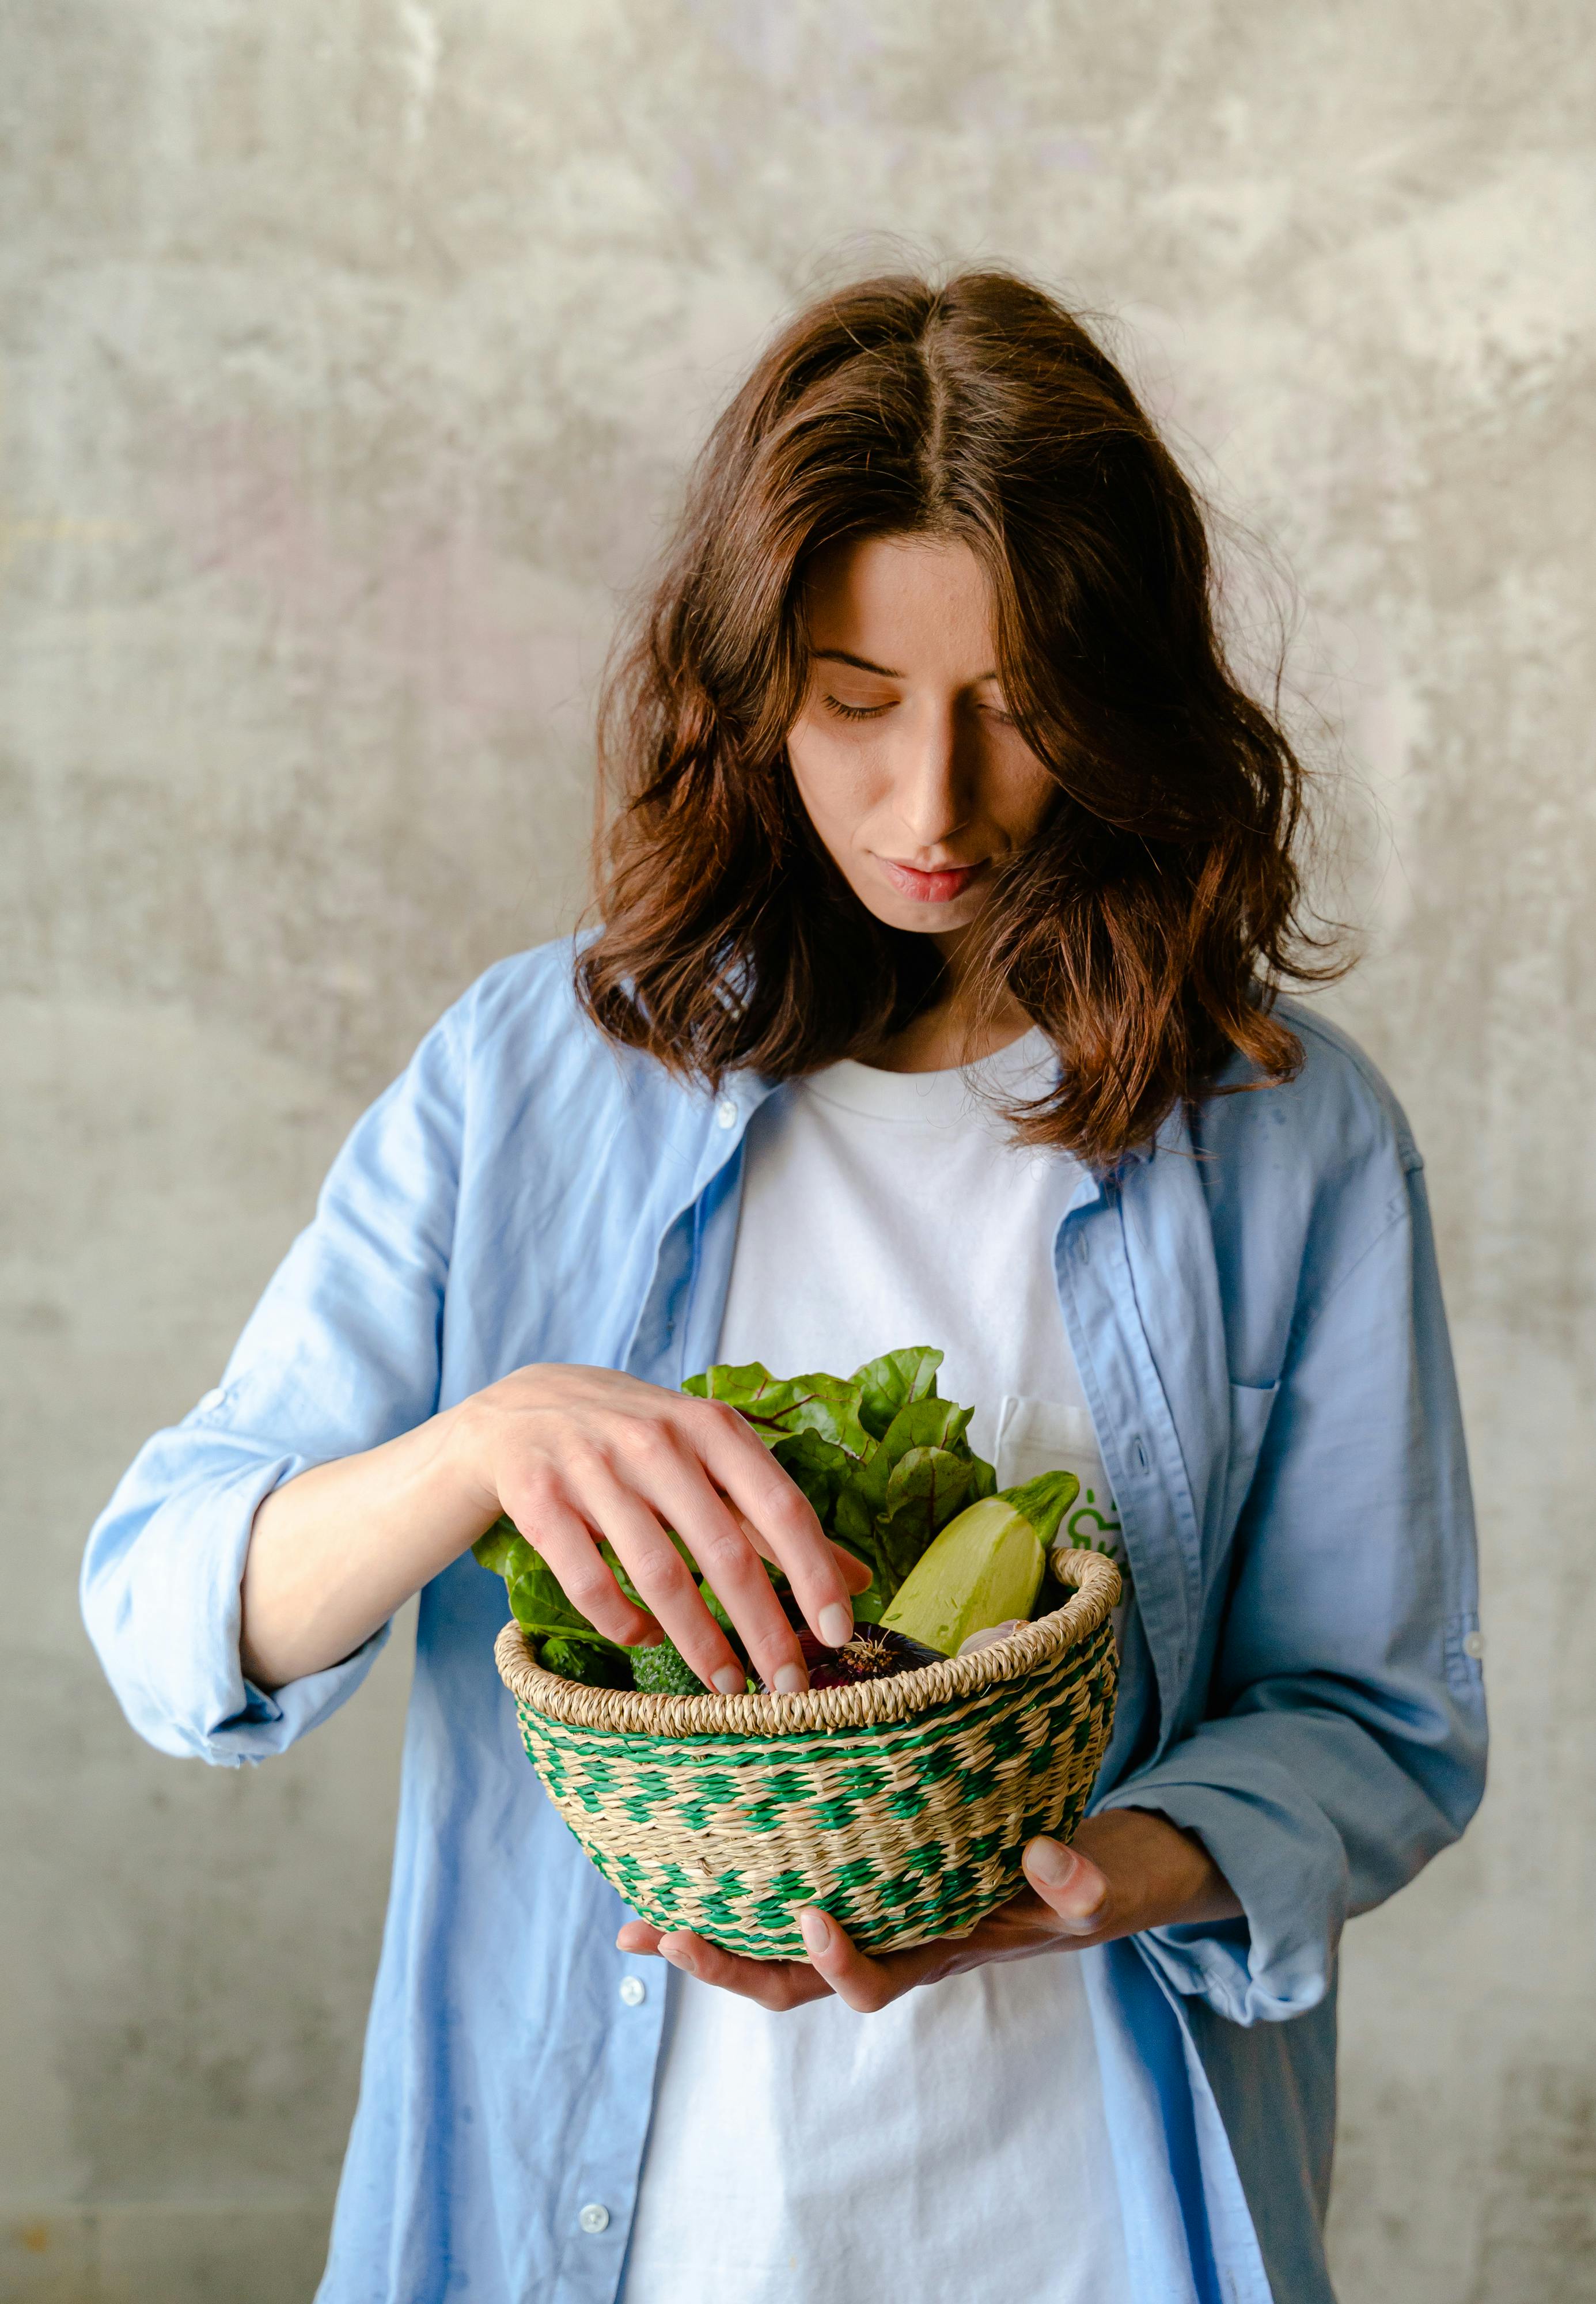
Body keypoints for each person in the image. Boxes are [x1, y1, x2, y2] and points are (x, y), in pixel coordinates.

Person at [82, 270, 1485, 2304]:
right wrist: (487, 1447)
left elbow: (1375, 1725)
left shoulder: (1282, 1134)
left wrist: (1090, 1885)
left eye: (1016, 711)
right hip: (601, 2238)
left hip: (1085, 2227)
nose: (937, 807)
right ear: (749, 688)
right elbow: (164, 1608)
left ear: (1121, 699)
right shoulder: (522, 1082)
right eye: (855, 702)